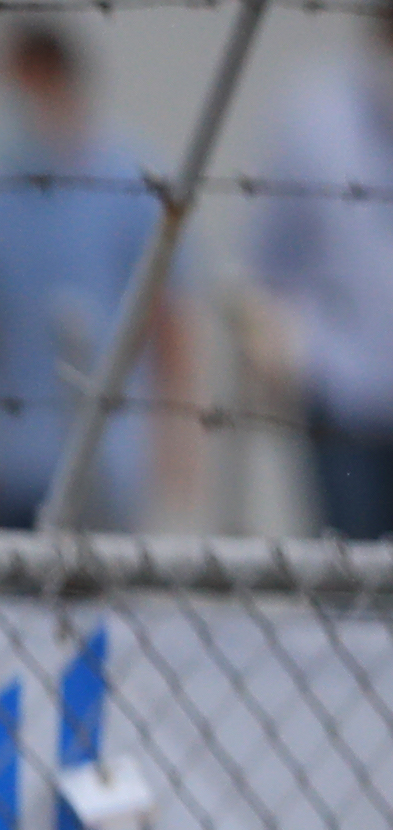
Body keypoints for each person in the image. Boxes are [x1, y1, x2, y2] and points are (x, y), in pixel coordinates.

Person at [0, 15, 200, 530]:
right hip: (9, 460)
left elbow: (170, 318)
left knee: (101, 602)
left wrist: (179, 434)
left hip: (112, 457)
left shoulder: (132, 180)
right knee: (10, 605)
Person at [248, 1, 393, 539]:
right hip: (342, 397)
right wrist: (285, 351)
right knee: (349, 583)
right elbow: (272, 261)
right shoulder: (314, 118)